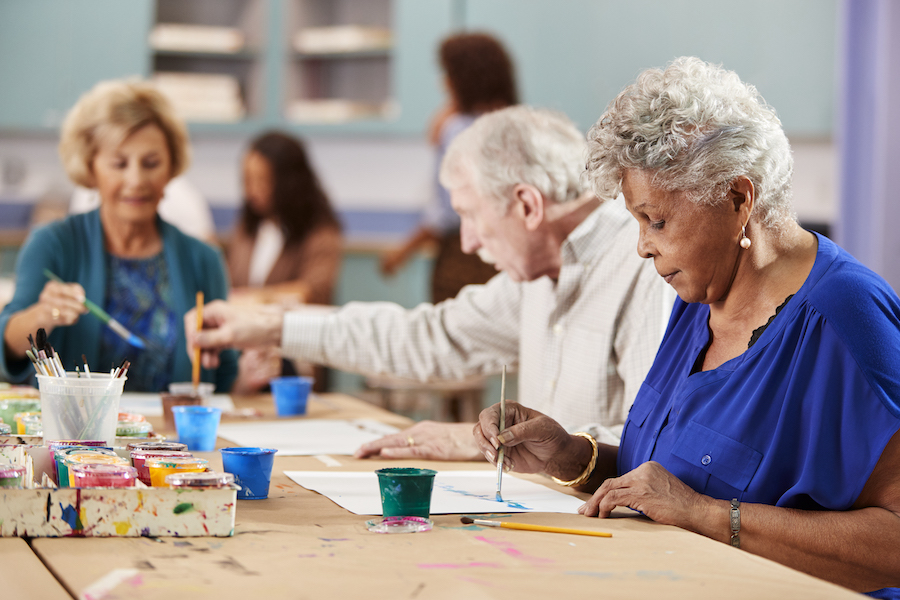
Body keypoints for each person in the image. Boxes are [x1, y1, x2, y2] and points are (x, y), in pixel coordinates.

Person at [473, 58, 900, 598]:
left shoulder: (844, 317)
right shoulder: (699, 297)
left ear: (738, 199)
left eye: (657, 220)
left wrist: (707, 516)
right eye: (636, 222)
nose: (642, 245)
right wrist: (570, 457)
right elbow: (670, 478)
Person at [186, 105, 674, 461]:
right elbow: (429, 337)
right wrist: (272, 327)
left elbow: (648, 441)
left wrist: (477, 440)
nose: (466, 242)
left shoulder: (645, 269)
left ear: (527, 205)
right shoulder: (534, 278)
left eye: (469, 214)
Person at [0, 79, 238, 392]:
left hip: (174, 441)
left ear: (170, 169)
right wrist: (43, 314)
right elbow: (7, 348)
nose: (136, 180)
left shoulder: (203, 259)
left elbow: (225, 378)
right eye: (119, 163)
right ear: (91, 167)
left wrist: (253, 373)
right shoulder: (53, 245)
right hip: (78, 440)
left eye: (151, 163)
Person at [380, 32, 517, 303]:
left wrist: (404, 250)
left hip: (461, 260)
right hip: (508, 256)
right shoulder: (516, 124)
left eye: (448, 73)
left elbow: (448, 213)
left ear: (463, 79)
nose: (443, 82)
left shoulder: (456, 130)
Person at [226, 131, 342, 393]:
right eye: (247, 179)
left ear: (288, 182)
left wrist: (251, 298)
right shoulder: (248, 228)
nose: (252, 190)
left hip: (293, 360)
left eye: (262, 180)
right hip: (246, 356)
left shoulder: (320, 231)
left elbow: (312, 290)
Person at [70, 175, 217, 244]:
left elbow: (208, 248)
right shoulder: (85, 194)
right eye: (119, 164)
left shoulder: (182, 197)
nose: (135, 182)